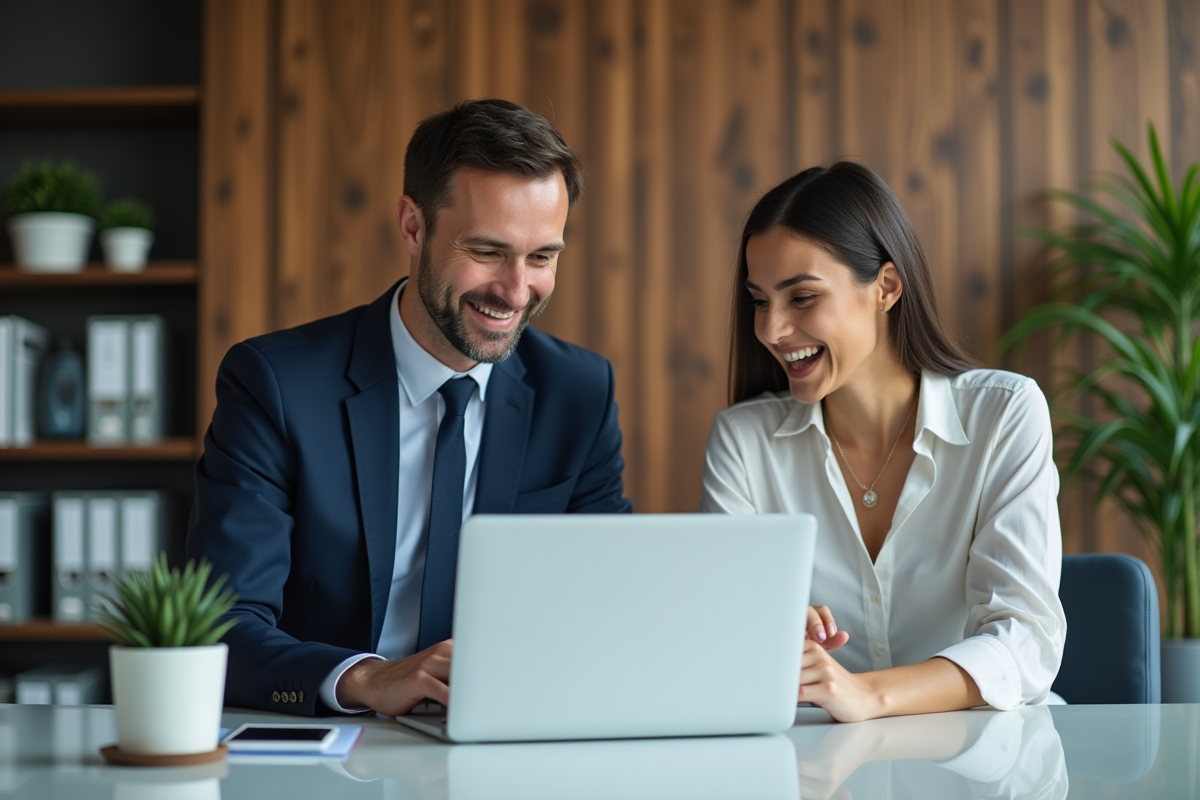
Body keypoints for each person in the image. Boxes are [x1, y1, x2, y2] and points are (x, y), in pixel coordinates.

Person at [187, 99, 632, 718]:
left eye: (542, 257)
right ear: (413, 226)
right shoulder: (276, 385)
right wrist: (367, 680)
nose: (515, 289)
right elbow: (218, 627)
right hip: (333, 745)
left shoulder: (578, 393)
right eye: (487, 251)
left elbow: (609, 602)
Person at [701, 162, 1065, 722]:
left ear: (886, 288)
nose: (770, 330)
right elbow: (720, 641)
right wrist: (768, 632)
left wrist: (866, 694)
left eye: (801, 297)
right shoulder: (743, 441)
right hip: (820, 762)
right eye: (759, 300)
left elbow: (1025, 641)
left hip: (986, 759)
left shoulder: (1005, 415)